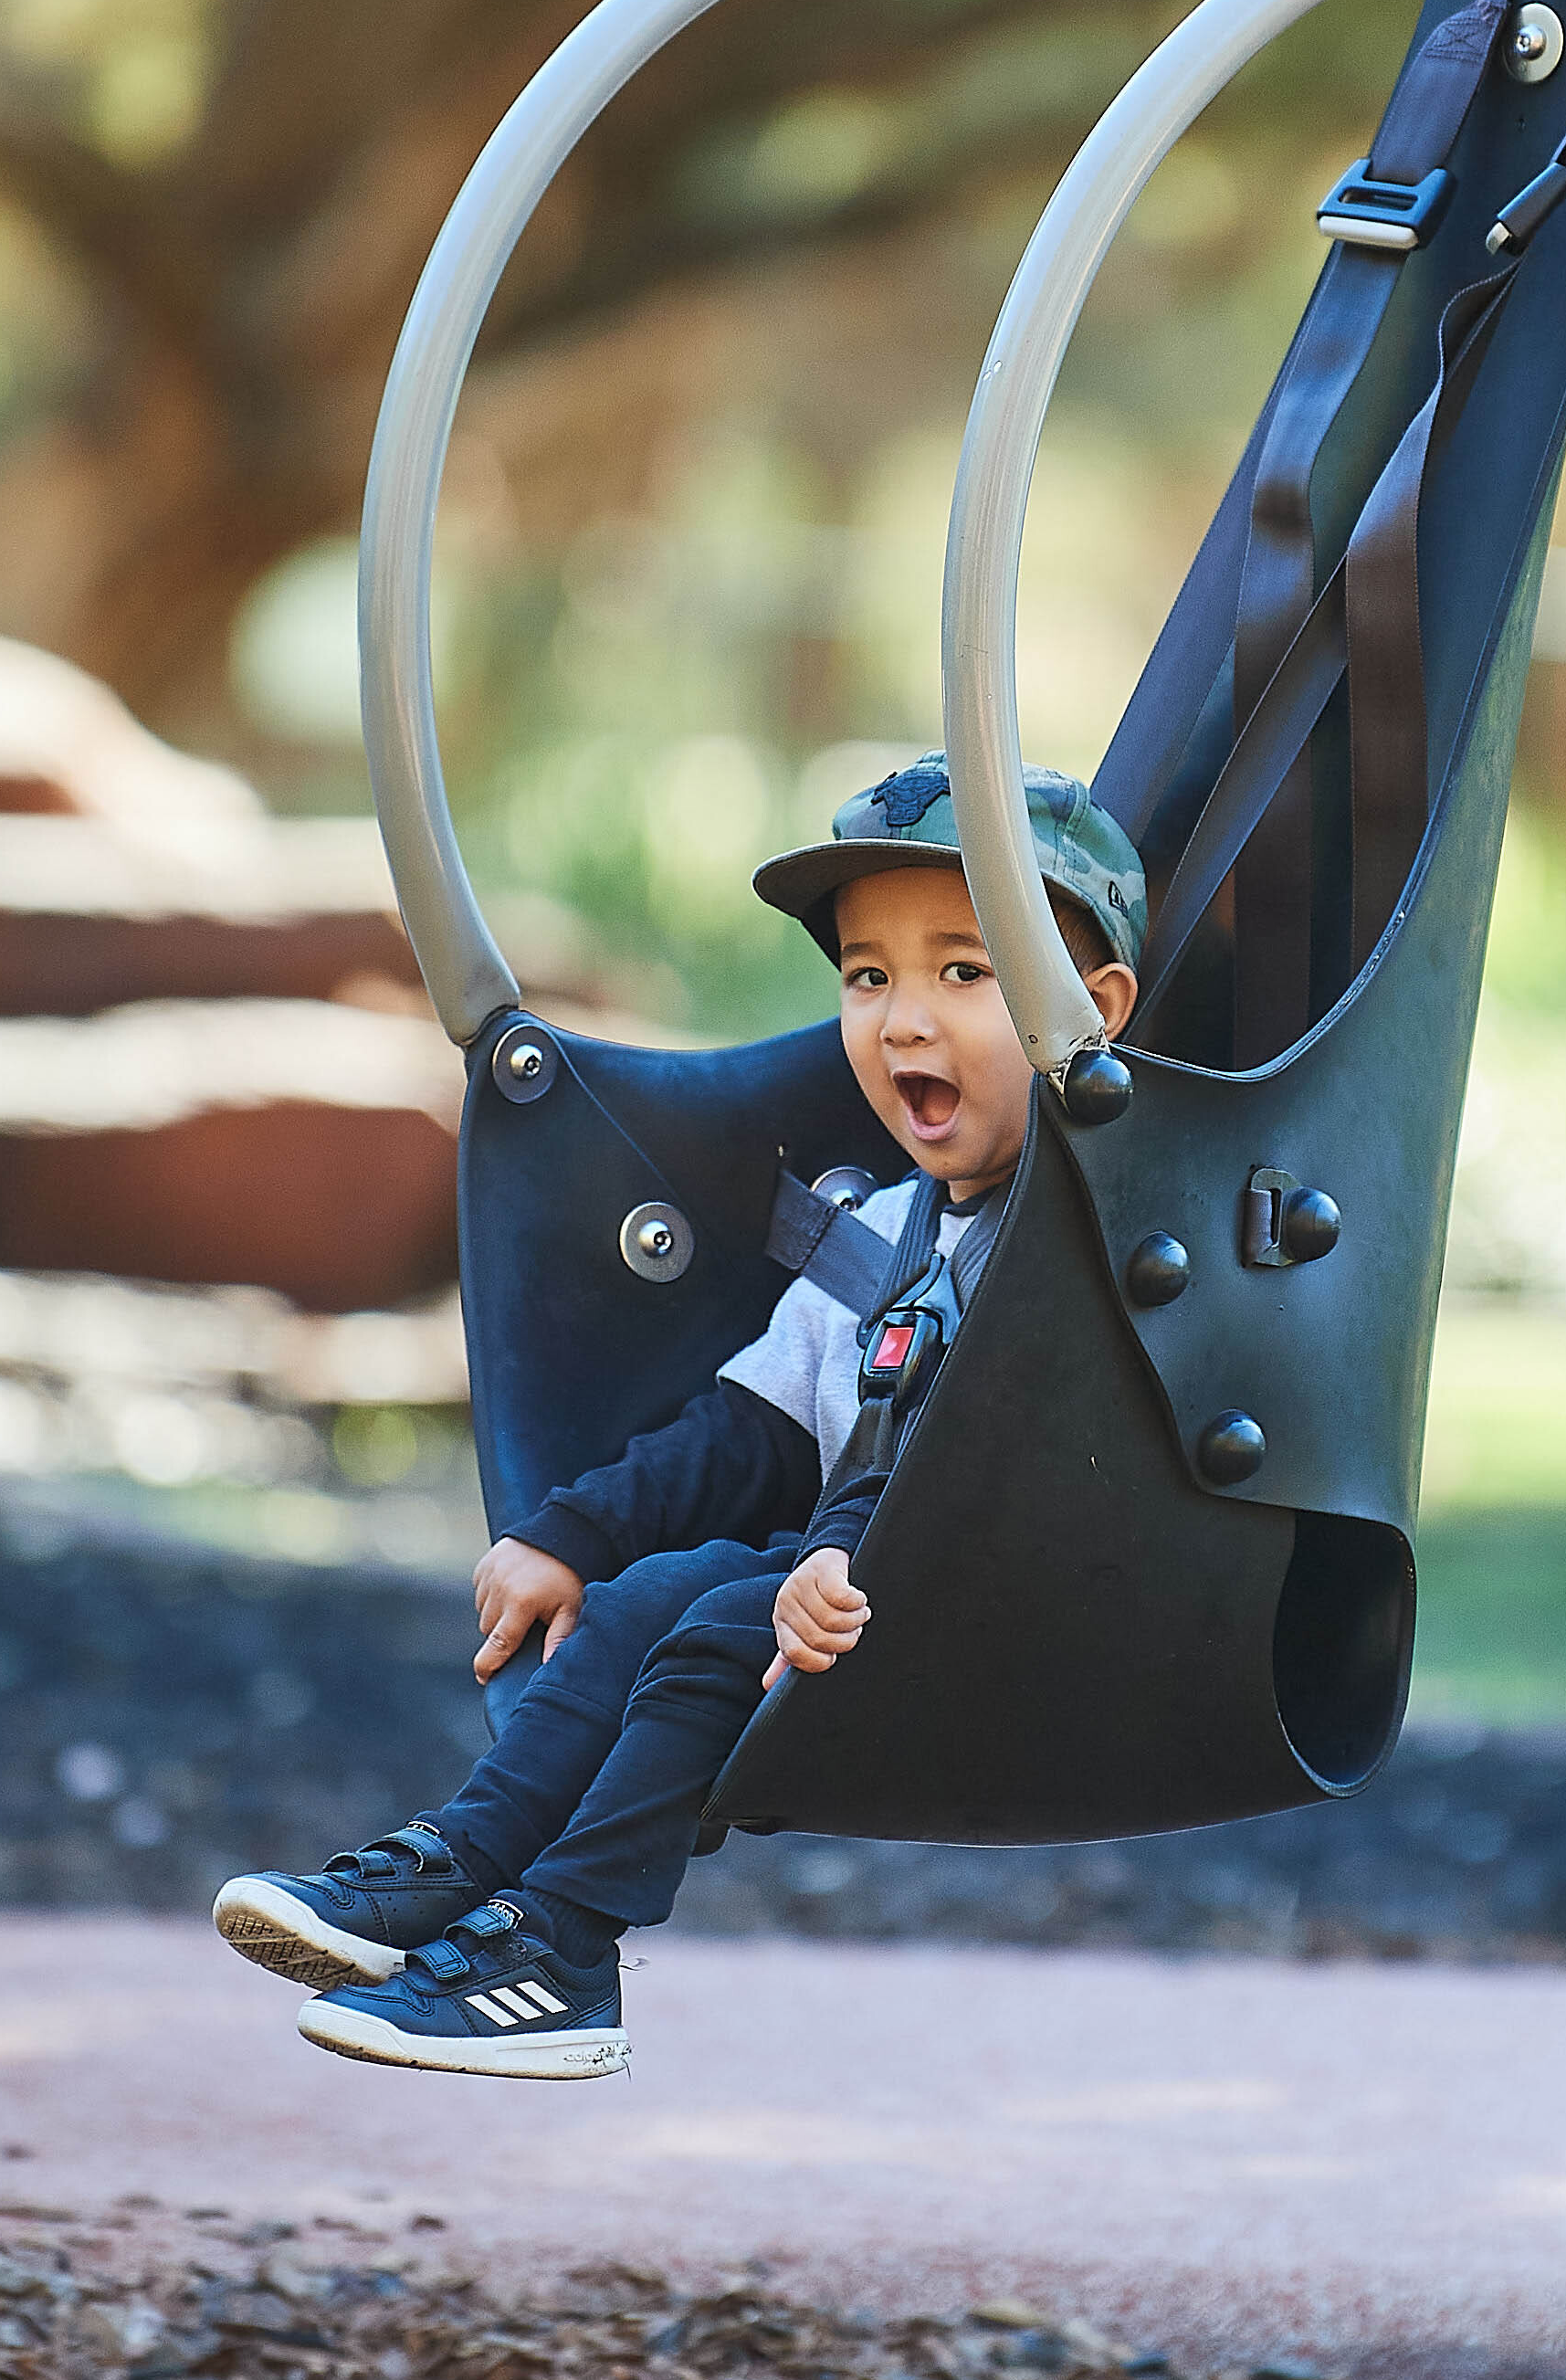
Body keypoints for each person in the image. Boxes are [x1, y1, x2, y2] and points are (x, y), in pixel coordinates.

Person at [212, 757, 1145, 2078]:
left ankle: (564, 1945)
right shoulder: (883, 1233)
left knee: (719, 1620)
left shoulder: (1094, 1237)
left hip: (1030, 1605)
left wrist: (846, 1550)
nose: (902, 1020)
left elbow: (990, 1432)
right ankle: (459, 1863)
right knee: (656, 1591)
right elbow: (749, 1432)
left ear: (1090, 1009)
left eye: (966, 972)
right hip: (854, 1587)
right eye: (868, 977)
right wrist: (574, 1533)